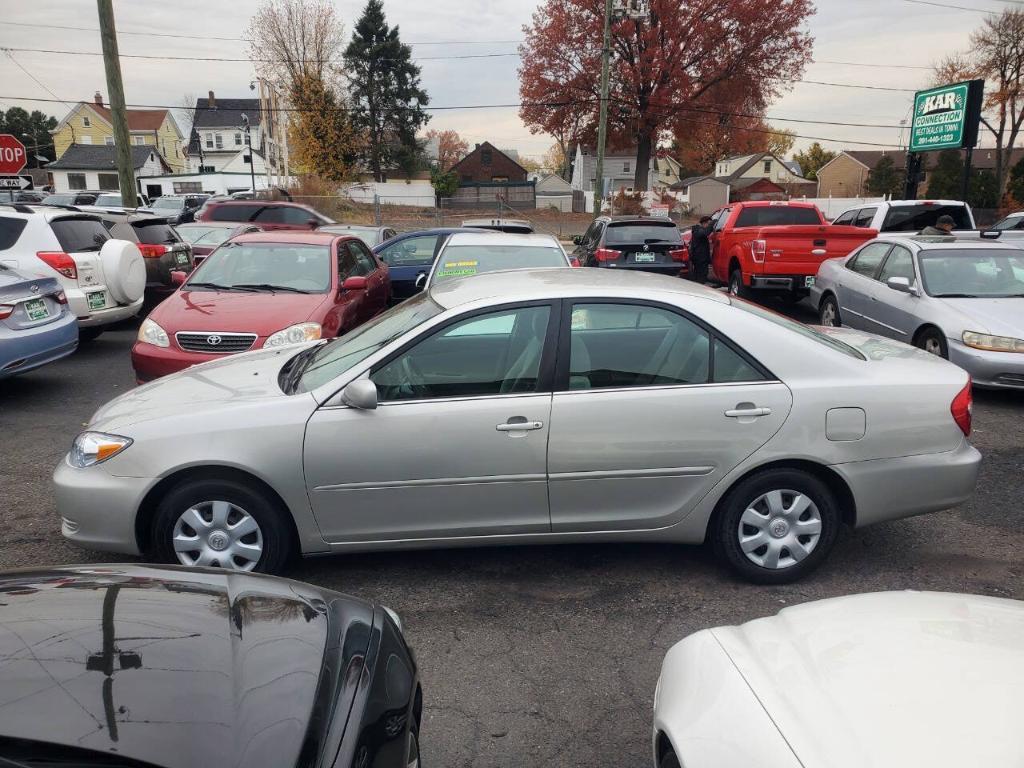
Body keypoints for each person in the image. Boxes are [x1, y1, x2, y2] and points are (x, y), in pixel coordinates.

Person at [688, 216, 713, 283]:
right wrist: (712, 224)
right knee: (700, 277)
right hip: (699, 258)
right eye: (708, 224)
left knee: (701, 276)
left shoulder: (699, 230)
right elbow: (705, 233)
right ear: (704, 223)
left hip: (701, 258)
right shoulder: (698, 230)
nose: (708, 226)